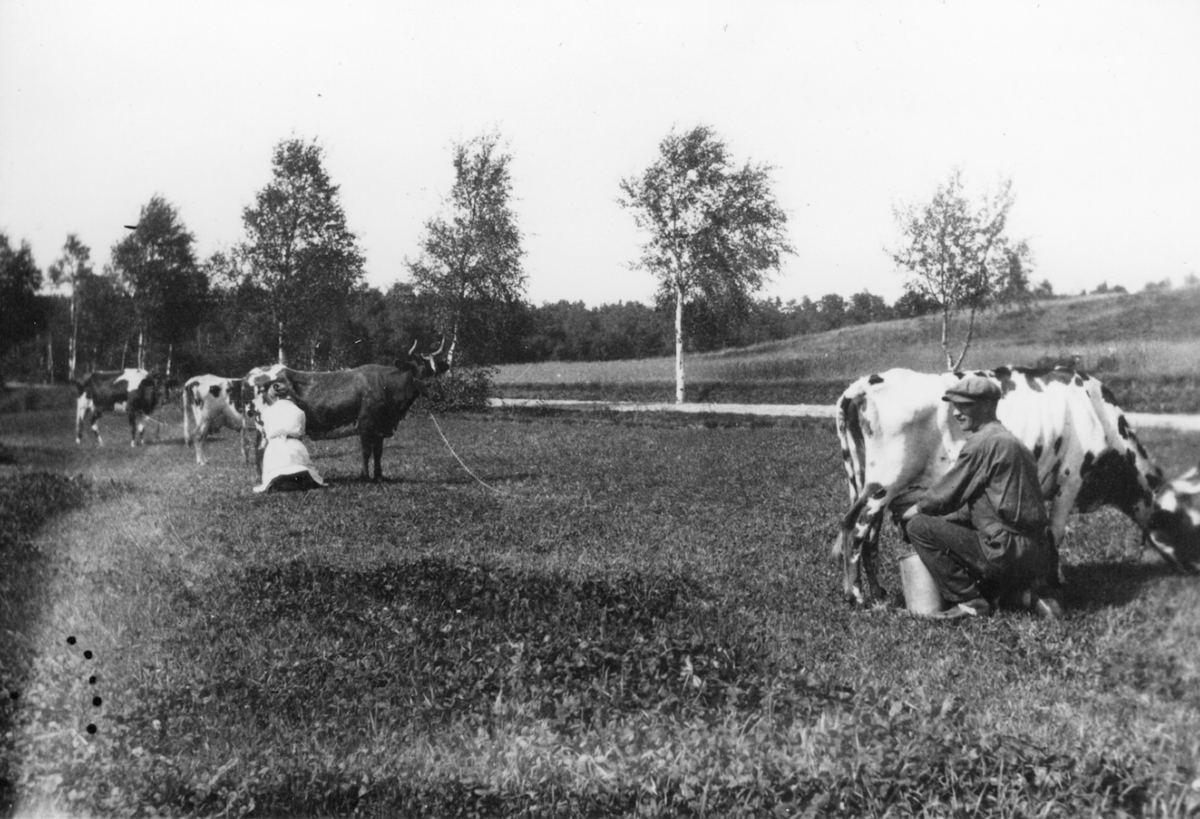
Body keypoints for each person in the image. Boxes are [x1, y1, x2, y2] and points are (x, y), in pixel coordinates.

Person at [901, 375, 1062, 620]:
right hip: (1038, 554)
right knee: (953, 524)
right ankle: (1027, 594)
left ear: (986, 406)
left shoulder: (982, 442)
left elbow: (945, 495)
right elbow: (984, 505)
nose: (956, 413)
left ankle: (970, 601)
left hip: (1005, 551)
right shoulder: (1015, 443)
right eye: (955, 406)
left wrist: (913, 511)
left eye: (964, 406)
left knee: (919, 527)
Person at [253, 381, 326, 493]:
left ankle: (279, 479)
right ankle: (298, 476)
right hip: (295, 447)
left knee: (274, 470)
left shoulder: (267, 412)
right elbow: (301, 432)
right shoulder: (300, 412)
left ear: (274, 397)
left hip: (275, 449)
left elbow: (267, 434)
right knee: (301, 467)